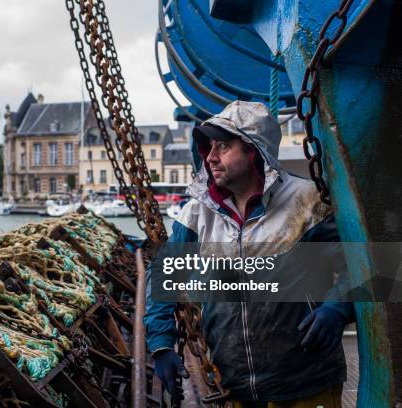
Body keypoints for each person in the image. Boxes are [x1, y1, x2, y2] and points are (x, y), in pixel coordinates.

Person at [143, 101, 354, 407]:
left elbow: (360, 263)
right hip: (236, 386)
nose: (211, 157)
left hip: (307, 384)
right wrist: (161, 344)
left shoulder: (307, 202)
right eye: (210, 147)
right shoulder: (198, 214)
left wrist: (337, 307)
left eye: (224, 146)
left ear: (254, 151)